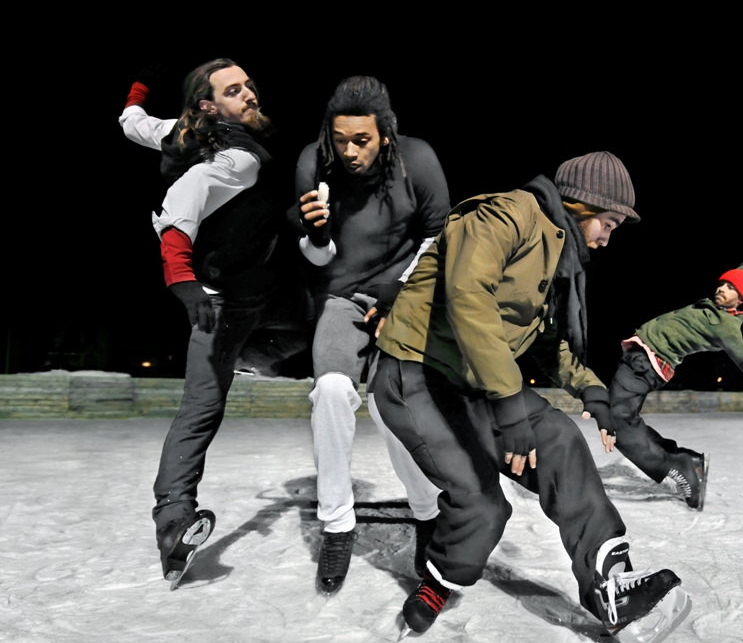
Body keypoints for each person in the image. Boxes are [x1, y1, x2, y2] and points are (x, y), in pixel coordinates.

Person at [371, 152, 691, 640]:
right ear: (582, 204)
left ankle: (611, 585)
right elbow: (469, 300)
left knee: (560, 438)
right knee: (483, 506)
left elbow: (544, 340)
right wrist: (509, 406)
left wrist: (592, 391)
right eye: (608, 224)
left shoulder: (556, 252)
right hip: (417, 372)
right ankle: (439, 580)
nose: (607, 239)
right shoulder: (504, 216)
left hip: (477, 379)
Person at [119, 59, 309, 588]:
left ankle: (245, 356)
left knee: (313, 322)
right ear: (210, 106)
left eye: (249, 85)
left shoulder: (176, 131)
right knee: (202, 407)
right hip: (223, 304)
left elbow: (132, 123)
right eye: (234, 91)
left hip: (268, 293)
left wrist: (140, 86)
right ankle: (174, 520)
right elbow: (183, 201)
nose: (249, 94)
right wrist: (180, 276)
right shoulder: (237, 160)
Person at [291, 76, 448, 595]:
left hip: (403, 298)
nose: (350, 151)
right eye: (340, 140)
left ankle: (427, 513)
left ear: (385, 134)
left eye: (362, 140)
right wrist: (316, 236)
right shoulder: (313, 163)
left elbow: (439, 238)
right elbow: (317, 260)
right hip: (341, 298)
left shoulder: (416, 160)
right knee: (331, 393)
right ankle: (337, 524)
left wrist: (399, 292)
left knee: (389, 404)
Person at [600, 234, 743, 511]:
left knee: (617, 424)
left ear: (741, 300)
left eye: (730, 288)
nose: (722, 288)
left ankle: (680, 467)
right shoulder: (717, 304)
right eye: (722, 283)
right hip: (640, 358)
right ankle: (683, 460)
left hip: (647, 363)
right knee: (624, 420)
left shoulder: (727, 328)